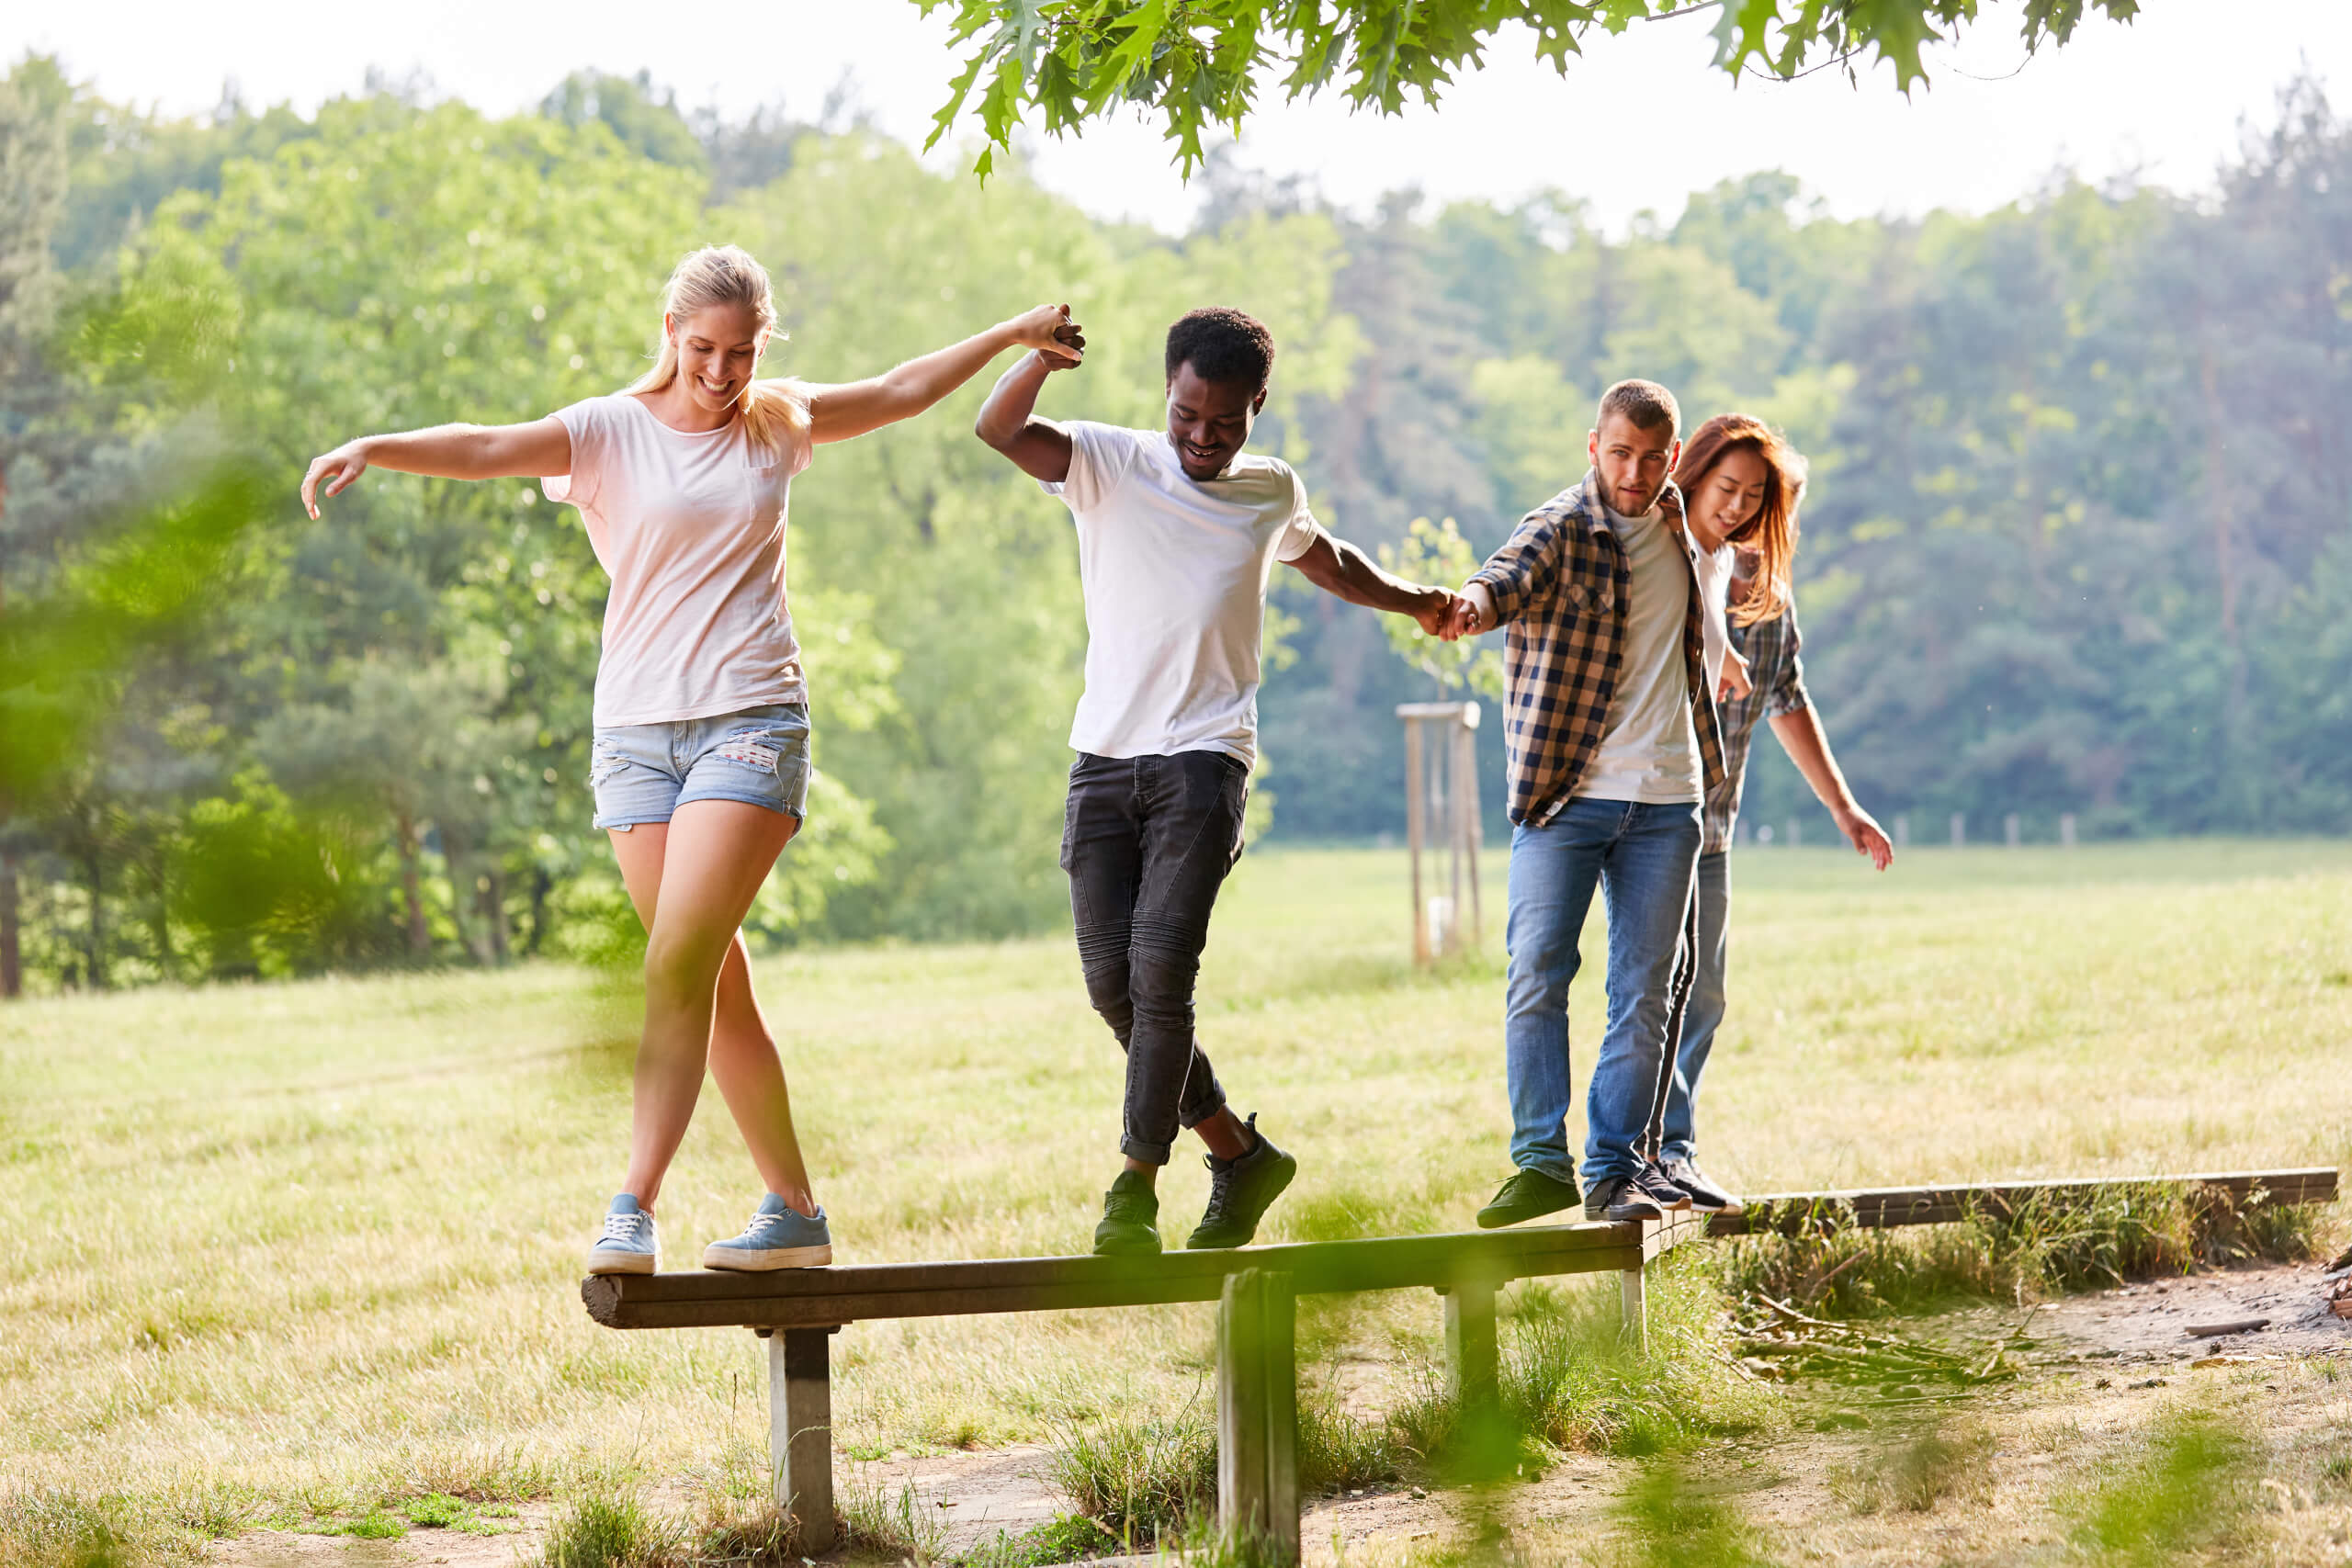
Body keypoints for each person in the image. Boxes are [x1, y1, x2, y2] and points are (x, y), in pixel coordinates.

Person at [300, 244, 1085, 1276]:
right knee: (713, 983)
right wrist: (377, 445)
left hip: (749, 721)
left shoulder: (777, 422)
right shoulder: (606, 434)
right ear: (670, 335)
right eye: (706, 349)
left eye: (744, 352)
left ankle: (631, 1204)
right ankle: (795, 1210)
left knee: (674, 964)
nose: (723, 372)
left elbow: (898, 390)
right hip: (632, 739)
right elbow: (489, 445)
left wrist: (1008, 336)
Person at [975, 307, 1460, 1257]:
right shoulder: (1109, 463)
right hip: (1104, 761)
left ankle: (1132, 1192)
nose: (1202, 437)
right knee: (1111, 987)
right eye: (1187, 414)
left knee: (1161, 976)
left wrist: (1414, 602)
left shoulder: (1269, 491)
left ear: (1257, 408)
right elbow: (998, 430)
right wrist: (1034, 361)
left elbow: (1328, 562)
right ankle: (1239, 1154)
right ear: (1167, 393)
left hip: (1204, 761)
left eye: (1224, 422)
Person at [1443, 379, 1728, 1229]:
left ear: (1671, 457)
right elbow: (1505, 576)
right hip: (1565, 795)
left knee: (1646, 989)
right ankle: (1539, 1162)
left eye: (1649, 458)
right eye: (1618, 454)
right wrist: (1469, 604)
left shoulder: (1687, 526)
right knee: (1537, 971)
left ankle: (1615, 1168)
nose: (1633, 472)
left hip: (1667, 802)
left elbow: (1748, 527)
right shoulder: (1564, 526)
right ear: (1592, 447)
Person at [1644, 414, 1894, 1214]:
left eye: (1758, 498)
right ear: (1693, 474)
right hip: (1642, 818)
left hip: (1710, 826)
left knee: (1703, 991)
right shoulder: (1658, 557)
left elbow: (1786, 696)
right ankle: (1630, 1159)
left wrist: (1843, 806)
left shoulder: (1762, 591)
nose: (1740, 508)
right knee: (1649, 991)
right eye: (1729, 490)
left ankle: (1673, 1151)